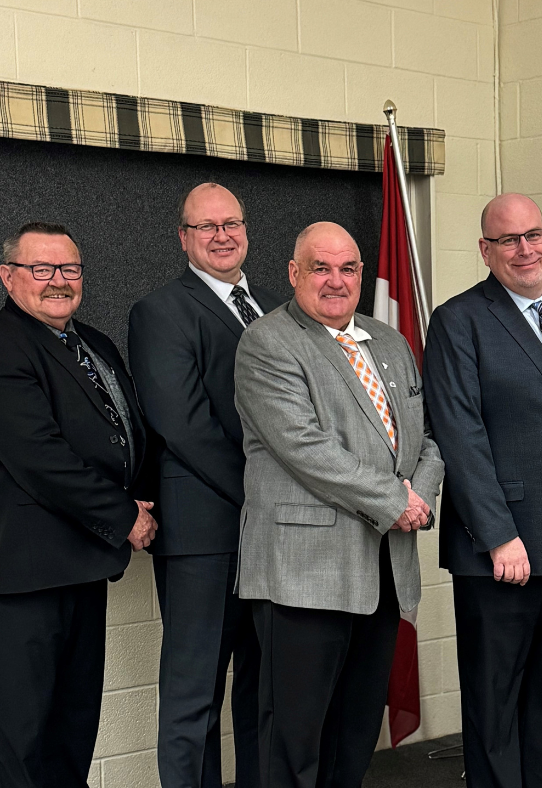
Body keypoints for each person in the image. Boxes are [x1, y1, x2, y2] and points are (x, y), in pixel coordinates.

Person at [233, 221, 443, 788]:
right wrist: (394, 500)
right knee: (295, 740)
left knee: (354, 734)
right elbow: (305, 448)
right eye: (320, 268)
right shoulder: (268, 342)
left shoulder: (390, 342)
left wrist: (418, 494)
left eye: (348, 268)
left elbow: (424, 438)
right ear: (294, 274)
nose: (336, 280)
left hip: (382, 569)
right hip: (304, 573)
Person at [423, 193, 542, 788]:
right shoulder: (459, 320)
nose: (524, 249)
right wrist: (499, 534)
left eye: (533, 234)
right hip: (503, 549)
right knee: (495, 698)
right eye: (508, 240)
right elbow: (459, 433)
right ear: (486, 249)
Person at [128, 183, 284, 788]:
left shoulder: (278, 304)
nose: (222, 236)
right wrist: (266, 495)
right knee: (194, 693)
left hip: (273, 536)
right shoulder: (160, 310)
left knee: (262, 687)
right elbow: (183, 425)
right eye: (206, 226)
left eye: (232, 223)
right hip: (204, 533)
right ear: (184, 237)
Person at [0, 222, 156, 787]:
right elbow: (40, 456)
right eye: (41, 269)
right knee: (20, 736)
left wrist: (144, 494)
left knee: (72, 726)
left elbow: (126, 432)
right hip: (25, 580)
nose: (58, 281)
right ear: (9, 276)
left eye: (69, 269)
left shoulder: (94, 343)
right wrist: (124, 516)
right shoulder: (6, 343)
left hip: (83, 566)